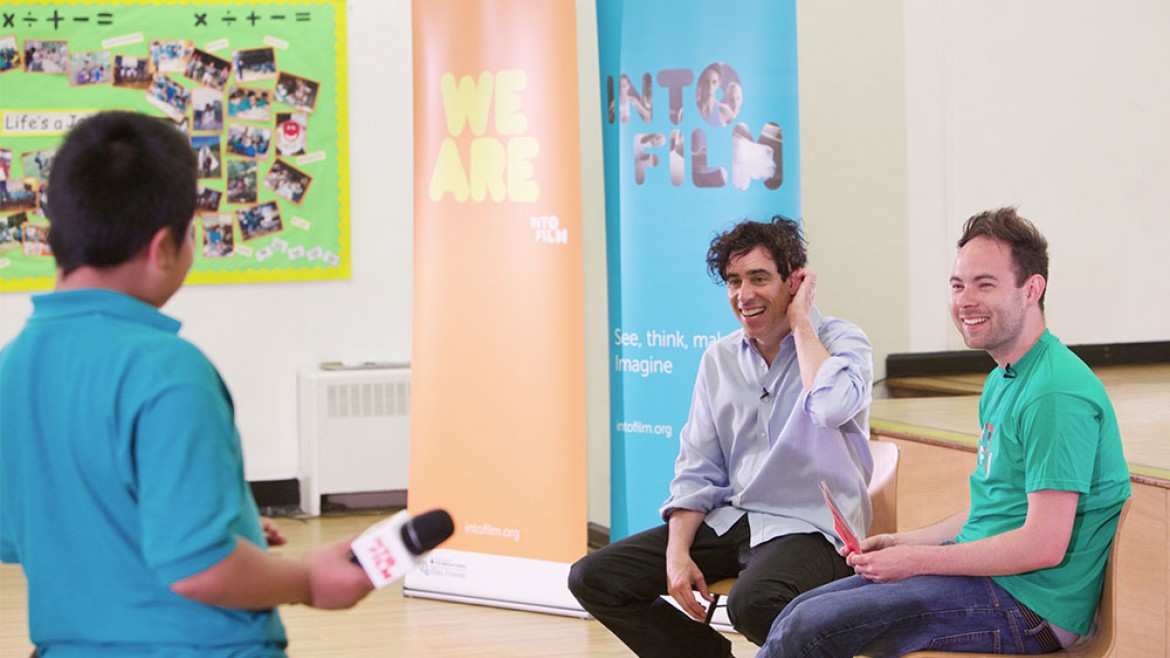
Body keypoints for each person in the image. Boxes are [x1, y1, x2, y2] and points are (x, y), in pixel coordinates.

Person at [0, 111, 374, 657]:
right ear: (162, 248)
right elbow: (201, 569)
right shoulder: (166, 370)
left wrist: (222, 519)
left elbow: (37, 535)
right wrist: (307, 579)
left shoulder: (13, 366)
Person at [757, 207, 1132, 657]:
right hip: (996, 584)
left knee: (810, 628)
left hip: (1030, 607)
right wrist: (905, 542)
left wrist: (916, 561)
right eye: (958, 285)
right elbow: (996, 511)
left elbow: (1043, 544)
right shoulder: (1004, 377)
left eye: (985, 284)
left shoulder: (1054, 394)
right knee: (798, 613)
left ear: (1032, 289)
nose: (965, 300)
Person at [569, 216, 874, 658]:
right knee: (593, 577)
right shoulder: (719, 358)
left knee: (754, 605)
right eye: (734, 281)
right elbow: (698, 469)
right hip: (736, 519)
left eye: (759, 278)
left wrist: (803, 324)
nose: (743, 295)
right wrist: (677, 553)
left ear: (796, 281)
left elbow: (830, 406)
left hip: (812, 528)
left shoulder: (842, 342)